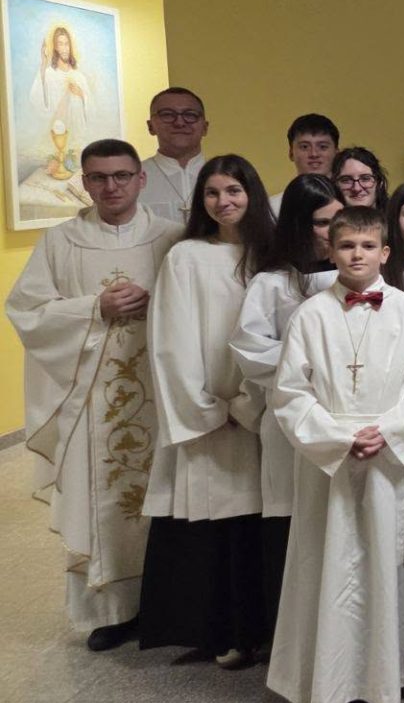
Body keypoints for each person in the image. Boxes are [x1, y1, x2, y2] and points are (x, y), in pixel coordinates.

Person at [266, 206, 404, 703]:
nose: (357, 255)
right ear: (331, 250)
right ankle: (337, 684)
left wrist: (388, 430)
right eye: (347, 246)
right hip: (330, 461)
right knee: (332, 566)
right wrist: (339, 438)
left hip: (387, 456)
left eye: (367, 246)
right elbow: (289, 393)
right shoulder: (309, 316)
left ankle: (388, 681)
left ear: (385, 253)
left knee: (388, 565)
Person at [5, 139, 180, 648]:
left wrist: (155, 300)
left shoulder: (171, 238)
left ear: (140, 179)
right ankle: (111, 611)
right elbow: (27, 311)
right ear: (84, 183)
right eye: (99, 177)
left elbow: (197, 304)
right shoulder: (61, 241)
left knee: (166, 497)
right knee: (100, 500)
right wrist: (93, 308)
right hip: (91, 397)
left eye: (122, 175)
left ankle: (170, 606)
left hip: (161, 395)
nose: (111, 186)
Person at [138, 155, 275, 666]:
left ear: (252, 195)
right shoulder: (186, 256)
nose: (224, 202)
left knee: (259, 521)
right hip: (210, 412)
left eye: (234, 191)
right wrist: (208, 407)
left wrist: (252, 402)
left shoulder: (271, 256)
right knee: (215, 521)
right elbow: (170, 341)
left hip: (259, 410)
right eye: (213, 193)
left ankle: (259, 629)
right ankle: (219, 629)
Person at [229, 175, 343, 639]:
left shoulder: (356, 276)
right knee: (296, 521)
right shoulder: (273, 282)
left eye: (339, 220)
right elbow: (250, 349)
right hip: (293, 420)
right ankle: (295, 638)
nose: (334, 232)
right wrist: (314, 362)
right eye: (322, 222)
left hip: (348, 418)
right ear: (298, 224)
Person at [30, 24, 91, 180]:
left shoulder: (78, 76)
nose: (64, 48)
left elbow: (92, 108)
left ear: (70, 46)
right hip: (57, 134)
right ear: (55, 48)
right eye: (60, 44)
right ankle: (60, 159)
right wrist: (43, 63)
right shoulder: (50, 74)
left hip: (75, 136)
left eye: (66, 44)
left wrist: (81, 95)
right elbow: (38, 99)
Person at [141, 87, 208, 222]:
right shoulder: (132, 179)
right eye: (167, 115)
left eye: (190, 115)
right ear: (150, 126)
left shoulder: (228, 176)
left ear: (205, 128)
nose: (179, 123)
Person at [275, 114, 340, 213]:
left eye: (323, 147)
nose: (314, 154)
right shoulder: (273, 209)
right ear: (291, 153)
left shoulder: (350, 203)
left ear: (336, 153)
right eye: (304, 147)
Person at [332, 145, 388, 210]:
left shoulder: (395, 215)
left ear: (379, 182)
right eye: (346, 180)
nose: (357, 188)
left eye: (365, 179)